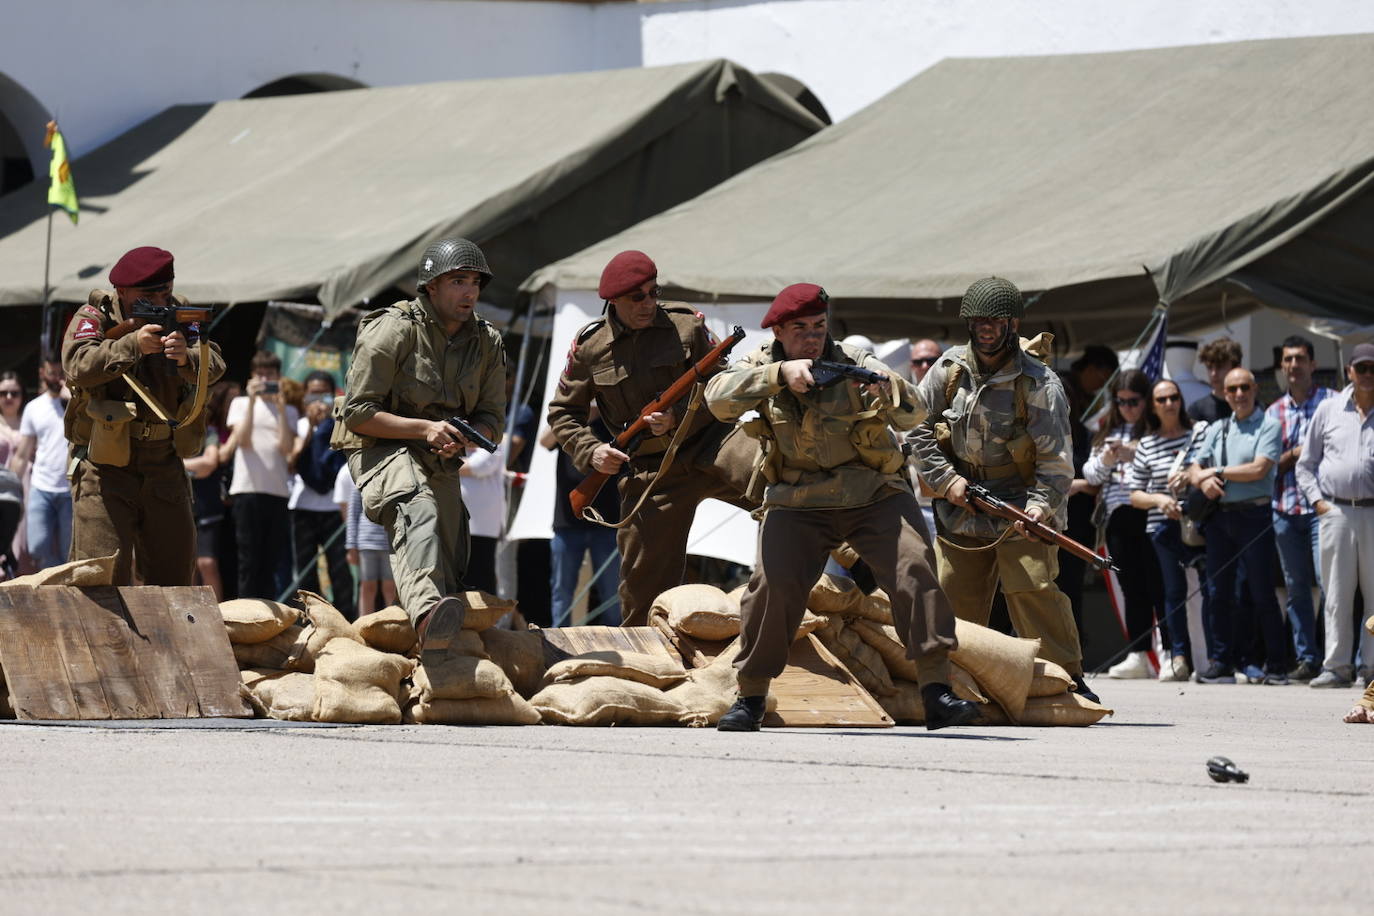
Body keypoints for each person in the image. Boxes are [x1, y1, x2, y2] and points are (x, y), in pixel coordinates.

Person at [704, 283, 975, 731]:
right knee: (772, 586)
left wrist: (892, 390)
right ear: (779, 331)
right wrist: (778, 375)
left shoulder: (855, 362)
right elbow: (717, 400)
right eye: (800, 329)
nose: (812, 336)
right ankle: (751, 695)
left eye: (819, 326)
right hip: (796, 500)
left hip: (873, 493)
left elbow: (914, 414)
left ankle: (936, 689)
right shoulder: (763, 362)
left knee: (914, 567)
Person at [546, 250, 757, 626]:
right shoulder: (591, 347)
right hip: (650, 470)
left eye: (652, 292)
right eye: (636, 297)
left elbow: (724, 387)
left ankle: (848, 555)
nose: (648, 304)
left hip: (711, 441)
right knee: (643, 593)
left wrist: (680, 417)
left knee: (776, 476)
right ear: (613, 300)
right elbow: (563, 413)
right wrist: (593, 452)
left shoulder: (686, 326)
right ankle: (651, 667)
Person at [911, 277, 1094, 700]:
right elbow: (916, 429)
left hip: (1022, 509)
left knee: (1033, 590)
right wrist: (948, 482)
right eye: (978, 321)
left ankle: (1066, 681)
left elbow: (1056, 462)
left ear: (1012, 323)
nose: (985, 329)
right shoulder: (948, 370)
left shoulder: (1039, 383)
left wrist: (1038, 510)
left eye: (994, 321)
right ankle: (952, 685)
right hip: (963, 507)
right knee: (953, 600)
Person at [332, 237, 506, 660]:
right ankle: (429, 615)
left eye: (475, 283)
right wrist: (426, 428)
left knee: (449, 551)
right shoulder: (393, 328)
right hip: (377, 446)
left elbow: (492, 419)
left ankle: (434, 646)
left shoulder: (487, 341)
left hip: (439, 454)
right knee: (418, 506)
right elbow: (358, 413)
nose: (469, 292)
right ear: (431, 287)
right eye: (458, 281)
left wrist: (464, 435)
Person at [60, 246, 225, 585]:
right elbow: (77, 365)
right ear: (122, 291)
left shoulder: (181, 315)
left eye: (165, 291)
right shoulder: (95, 317)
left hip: (163, 462)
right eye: (148, 295)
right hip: (104, 465)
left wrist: (186, 360)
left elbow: (217, 364)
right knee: (99, 580)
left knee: (174, 581)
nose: (161, 301)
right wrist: (132, 343)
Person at [1183, 367, 1286, 684]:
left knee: (1260, 592)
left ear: (1255, 389)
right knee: (1218, 593)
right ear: (1225, 394)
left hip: (1254, 516)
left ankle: (1277, 664)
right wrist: (1204, 478)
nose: (1239, 394)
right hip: (1220, 518)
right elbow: (1193, 469)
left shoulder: (1269, 425)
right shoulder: (1218, 427)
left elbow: (1258, 469)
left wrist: (1218, 471)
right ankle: (1222, 661)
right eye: (1232, 389)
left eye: (1244, 387)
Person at [1296, 342, 1374, 689]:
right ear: (1349, 372)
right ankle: (1337, 666)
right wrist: (1318, 503)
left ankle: (1371, 669)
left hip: (1373, 512)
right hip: (1336, 511)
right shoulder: (1328, 409)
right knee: (1337, 593)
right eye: (1362, 368)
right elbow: (1305, 465)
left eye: (1373, 368)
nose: (1368, 375)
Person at [1083, 369, 1163, 679]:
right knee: (1132, 588)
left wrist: (1136, 454)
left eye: (1134, 402)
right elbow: (1090, 475)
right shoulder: (1106, 433)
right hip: (1118, 514)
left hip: (1151, 512)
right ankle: (1139, 653)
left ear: (1146, 401)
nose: (1127, 408)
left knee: (1159, 585)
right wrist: (1107, 459)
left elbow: (1166, 465)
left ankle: (1169, 651)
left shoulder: (1156, 431)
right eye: (1121, 402)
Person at [1267, 335, 1335, 681]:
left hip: (1323, 507)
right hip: (1284, 508)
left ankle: (1338, 660)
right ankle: (1307, 658)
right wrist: (1295, 454)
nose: (1294, 365)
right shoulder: (1272, 412)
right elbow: (1266, 464)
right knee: (1296, 588)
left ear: (1313, 364)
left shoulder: (1333, 403)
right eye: (1288, 359)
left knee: (1330, 585)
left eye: (1300, 359)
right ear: (1282, 366)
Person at [1129, 378, 1204, 682]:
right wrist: (1160, 500)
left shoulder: (1200, 433)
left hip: (1199, 522)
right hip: (1161, 528)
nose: (1169, 404)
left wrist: (1190, 475)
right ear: (1153, 406)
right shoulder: (1146, 443)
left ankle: (1216, 657)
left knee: (1211, 591)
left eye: (1174, 397)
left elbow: (1210, 468)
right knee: (1172, 593)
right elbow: (1135, 495)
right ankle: (1179, 656)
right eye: (1162, 399)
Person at [1056, 344, 1118, 631]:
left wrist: (1074, 485)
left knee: (1071, 589)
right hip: (1042, 522)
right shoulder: (1039, 435)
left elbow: (1094, 483)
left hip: (1076, 524)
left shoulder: (1084, 435)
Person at [226, 351, 297, 599]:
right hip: (246, 489)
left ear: (279, 377)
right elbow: (242, 440)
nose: (264, 378)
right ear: (252, 376)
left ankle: (268, 619)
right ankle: (245, 612)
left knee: (271, 560)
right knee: (248, 558)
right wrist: (253, 401)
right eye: (260, 373)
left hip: (277, 491)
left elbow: (287, 448)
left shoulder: (288, 411)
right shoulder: (240, 404)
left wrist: (279, 407)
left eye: (270, 374)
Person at [541, 413, 622, 627]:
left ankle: (618, 644)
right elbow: (544, 441)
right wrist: (578, 413)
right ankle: (557, 644)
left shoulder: (613, 419)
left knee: (612, 592)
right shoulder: (570, 424)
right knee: (562, 591)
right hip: (566, 522)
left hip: (607, 522)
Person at [289, 370, 354, 618]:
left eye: (324, 393)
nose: (318, 399)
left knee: (340, 567)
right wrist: (312, 429)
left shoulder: (341, 424)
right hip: (303, 505)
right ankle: (309, 617)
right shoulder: (298, 422)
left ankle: (346, 615)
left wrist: (328, 428)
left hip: (332, 506)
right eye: (313, 393)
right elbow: (290, 460)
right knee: (306, 568)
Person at [15, 358, 71, 571]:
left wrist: (74, 400)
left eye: (61, 373)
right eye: (52, 373)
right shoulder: (34, 408)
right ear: (42, 373)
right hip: (42, 488)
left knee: (70, 551)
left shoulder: (77, 405)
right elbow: (22, 453)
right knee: (38, 547)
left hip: (70, 489)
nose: (57, 379)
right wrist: (9, 486)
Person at [183, 381, 233, 598]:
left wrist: (180, 466)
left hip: (207, 506)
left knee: (207, 563)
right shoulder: (175, 432)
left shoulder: (209, 432)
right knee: (187, 564)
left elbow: (210, 463)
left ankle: (219, 614)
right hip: (183, 506)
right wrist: (195, 467)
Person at [335, 463, 397, 617]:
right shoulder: (361, 481)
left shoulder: (396, 481)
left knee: (390, 588)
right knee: (367, 586)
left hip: (390, 544)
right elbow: (353, 514)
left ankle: (394, 624)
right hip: (366, 543)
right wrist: (351, 546)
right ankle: (364, 624)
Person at [458, 434, 507, 595]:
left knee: (482, 577)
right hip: (459, 525)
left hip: (483, 527)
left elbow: (478, 466)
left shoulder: (493, 443)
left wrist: (448, 461)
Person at [0, 371, 31, 576]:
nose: (9, 397)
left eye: (14, 393)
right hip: (2, 494)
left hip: (30, 488)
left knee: (28, 546)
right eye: (3, 393)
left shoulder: (31, 420)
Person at [1188, 338, 1244, 423]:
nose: (1213, 374)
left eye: (1220, 367)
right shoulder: (1197, 410)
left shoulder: (1252, 407)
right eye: (1210, 368)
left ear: (1237, 368)